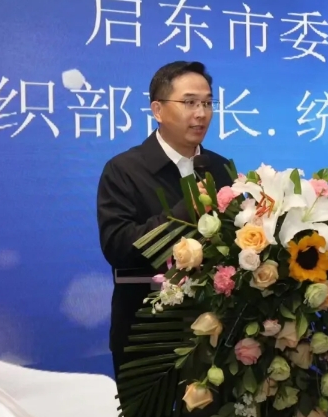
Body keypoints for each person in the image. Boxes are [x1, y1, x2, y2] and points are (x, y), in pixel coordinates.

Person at [96, 61, 233, 379]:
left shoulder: (220, 168)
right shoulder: (123, 170)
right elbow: (117, 246)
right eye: (189, 102)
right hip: (147, 336)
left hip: (215, 333)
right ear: (157, 110)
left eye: (207, 103)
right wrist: (185, 212)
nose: (201, 113)